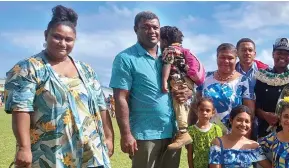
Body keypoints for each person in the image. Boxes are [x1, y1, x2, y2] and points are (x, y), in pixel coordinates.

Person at [5, 5, 114, 167]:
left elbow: (100, 106)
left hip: (90, 151)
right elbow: (21, 109)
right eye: (57, 37)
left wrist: (108, 137)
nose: (63, 43)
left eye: (68, 39)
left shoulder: (86, 70)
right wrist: (24, 148)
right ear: (46, 35)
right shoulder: (28, 68)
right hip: (50, 153)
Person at [110, 11, 190, 168]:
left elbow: (186, 82)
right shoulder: (126, 59)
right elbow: (120, 98)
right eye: (146, 27)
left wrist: (187, 92)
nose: (152, 31)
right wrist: (126, 134)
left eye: (155, 27)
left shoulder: (168, 56)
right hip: (144, 135)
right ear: (135, 29)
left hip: (172, 133)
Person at [159, 26, 207, 150]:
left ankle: (183, 132)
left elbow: (167, 63)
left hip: (179, 80)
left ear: (164, 40)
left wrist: (164, 80)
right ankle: (183, 131)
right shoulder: (183, 50)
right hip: (189, 82)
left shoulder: (170, 50)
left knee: (178, 102)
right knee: (182, 103)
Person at [195, 43, 255, 135]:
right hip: (205, 134)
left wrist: (245, 139)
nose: (226, 61)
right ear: (217, 58)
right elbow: (195, 106)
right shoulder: (205, 78)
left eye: (230, 58)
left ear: (236, 59)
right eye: (222, 57)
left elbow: (249, 113)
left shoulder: (244, 81)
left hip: (233, 135)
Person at [254, 37, 289, 139]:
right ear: (273, 54)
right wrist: (265, 115)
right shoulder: (263, 77)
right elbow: (254, 106)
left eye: (286, 54)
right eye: (279, 53)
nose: (282, 56)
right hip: (266, 133)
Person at [235, 38, 269, 140]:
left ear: (254, 53)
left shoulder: (266, 71)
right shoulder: (230, 71)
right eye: (243, 50)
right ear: (237, 53)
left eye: (250, 50)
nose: (247, 53)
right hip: (237, 118)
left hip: (261, 118)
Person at [186, 97, 223, 168]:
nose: (204, 113)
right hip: (198, 165)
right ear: (197, 111)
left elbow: (220, 151)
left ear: (213, 113)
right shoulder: (191, 130)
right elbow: (190, 153)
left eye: (208, 110)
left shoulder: (216, 129)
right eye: (201, 110)